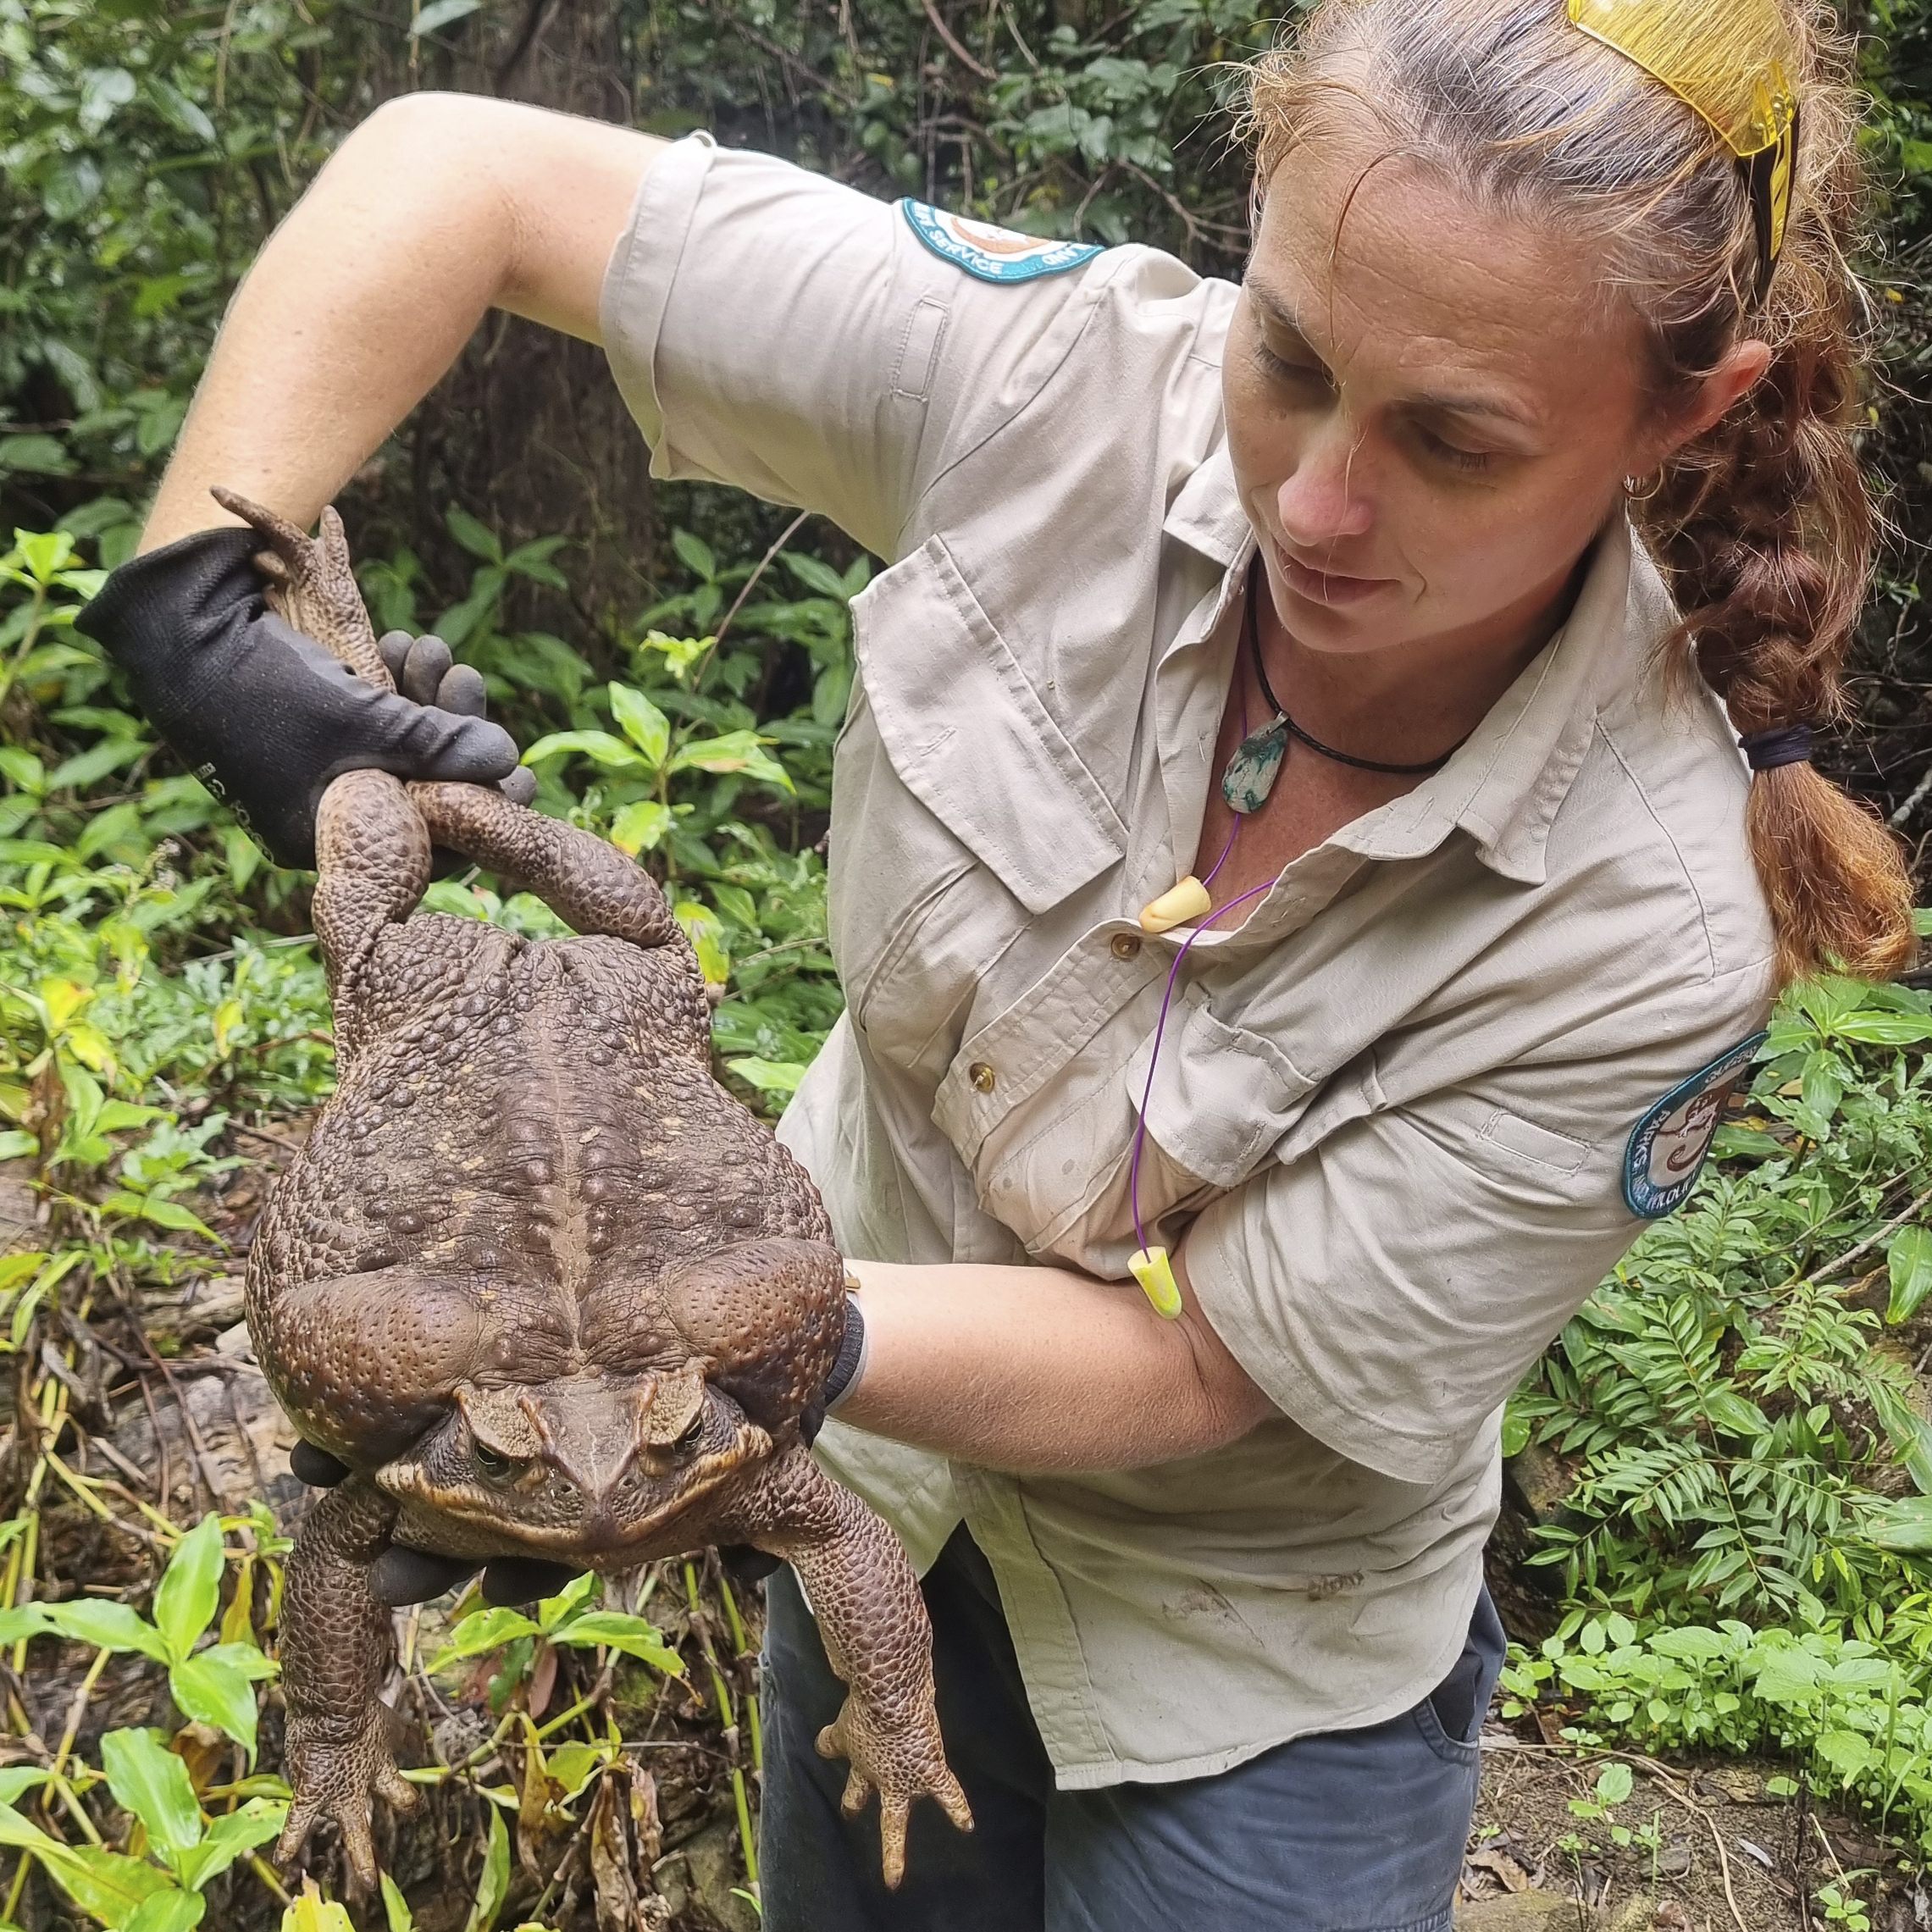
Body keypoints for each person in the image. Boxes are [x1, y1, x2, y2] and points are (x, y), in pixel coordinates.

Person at [79, 0, 1918, 1924]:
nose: (1310, 498)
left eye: (1452, 441)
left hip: (1241, 1655)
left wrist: (687, 1353)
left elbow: (1205, 1359)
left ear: (1683, 415)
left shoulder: (1657, 911)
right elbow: (460, 171)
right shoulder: (1061, 384)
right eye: (1282, 352)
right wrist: (206, 609)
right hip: (870, 1511)